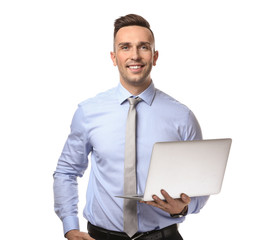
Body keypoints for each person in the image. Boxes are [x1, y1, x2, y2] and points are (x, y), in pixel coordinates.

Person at [53, 14, 209, 240]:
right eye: (125, 47)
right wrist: (70, 227)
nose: (134, 55)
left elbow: (202, 182)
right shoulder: (88, 112)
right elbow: (66, 172)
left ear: (154, 56)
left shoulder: (182, 116)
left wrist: (185, 207)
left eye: (143, 47)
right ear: (114, 57)